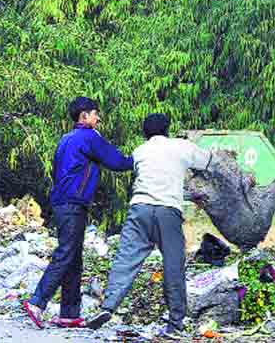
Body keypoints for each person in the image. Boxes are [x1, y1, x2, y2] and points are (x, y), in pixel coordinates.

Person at [86, 113, 212, 340]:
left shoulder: (140, 150)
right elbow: (208, 161)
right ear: (168, 129)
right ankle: (175, 323)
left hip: (140, 209)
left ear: (145, 132)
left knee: (125, 260)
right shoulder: (182, 146)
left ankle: (107, 307)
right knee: (173, 264)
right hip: (168, 212)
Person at [24, 97, 133, 329]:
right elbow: (117, 162)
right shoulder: (90, 137)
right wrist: (141, 158)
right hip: (74, 202)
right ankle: (37, 302)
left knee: (73, 257)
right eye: (95, 114)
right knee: (66, 253)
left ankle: (69, 313)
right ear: (84, 116)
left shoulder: (65, 139)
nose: (98, 118)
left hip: (63, 202)